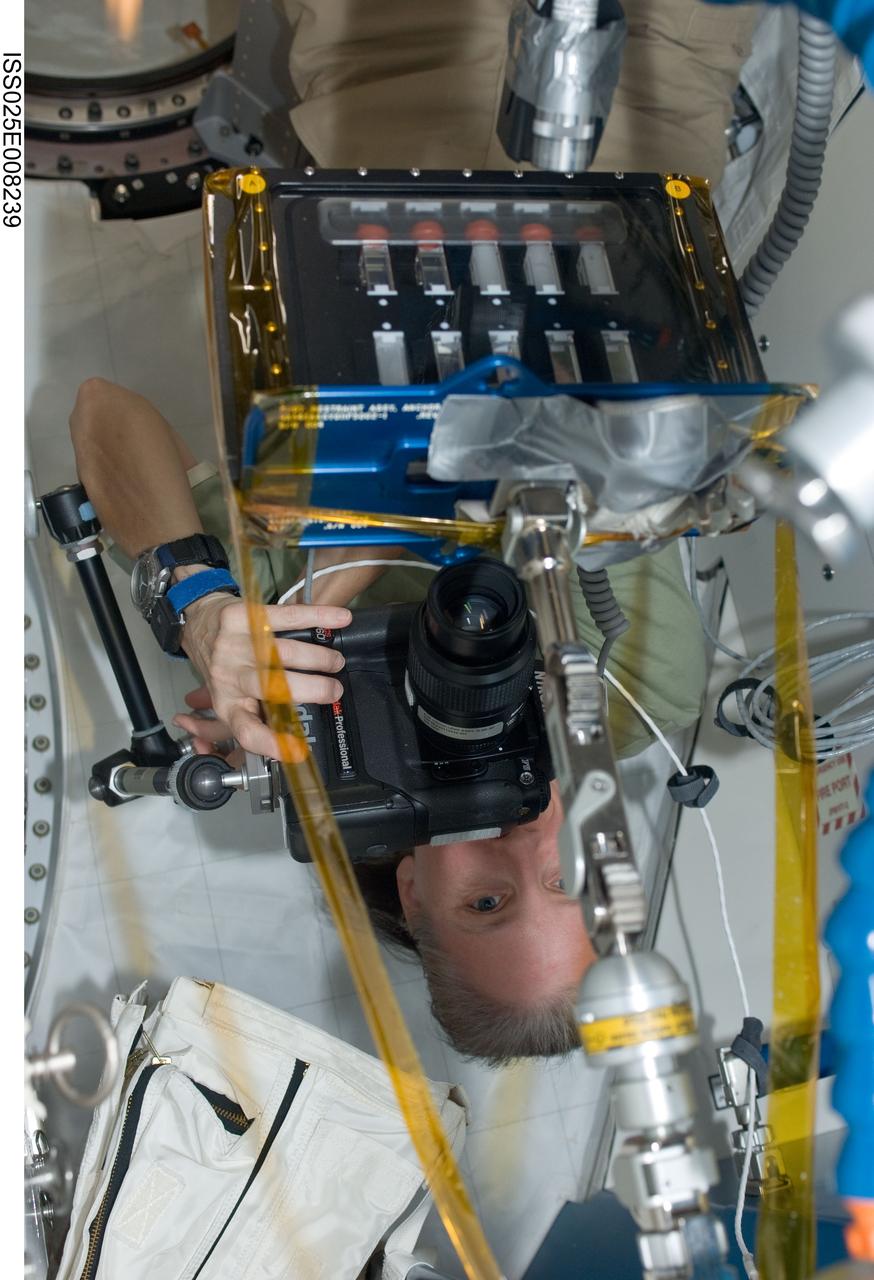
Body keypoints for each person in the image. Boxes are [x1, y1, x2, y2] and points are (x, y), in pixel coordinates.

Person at [73, 0, 779, 1061]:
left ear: (409, 881)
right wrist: (362, 545)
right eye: (571, 881)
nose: (523, 841)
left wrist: (198, 601)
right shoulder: (643, 695)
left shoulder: (309, 716)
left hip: (389, 71)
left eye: (488, 900)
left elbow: (100, 411)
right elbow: (566, 464)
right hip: (644, 111)